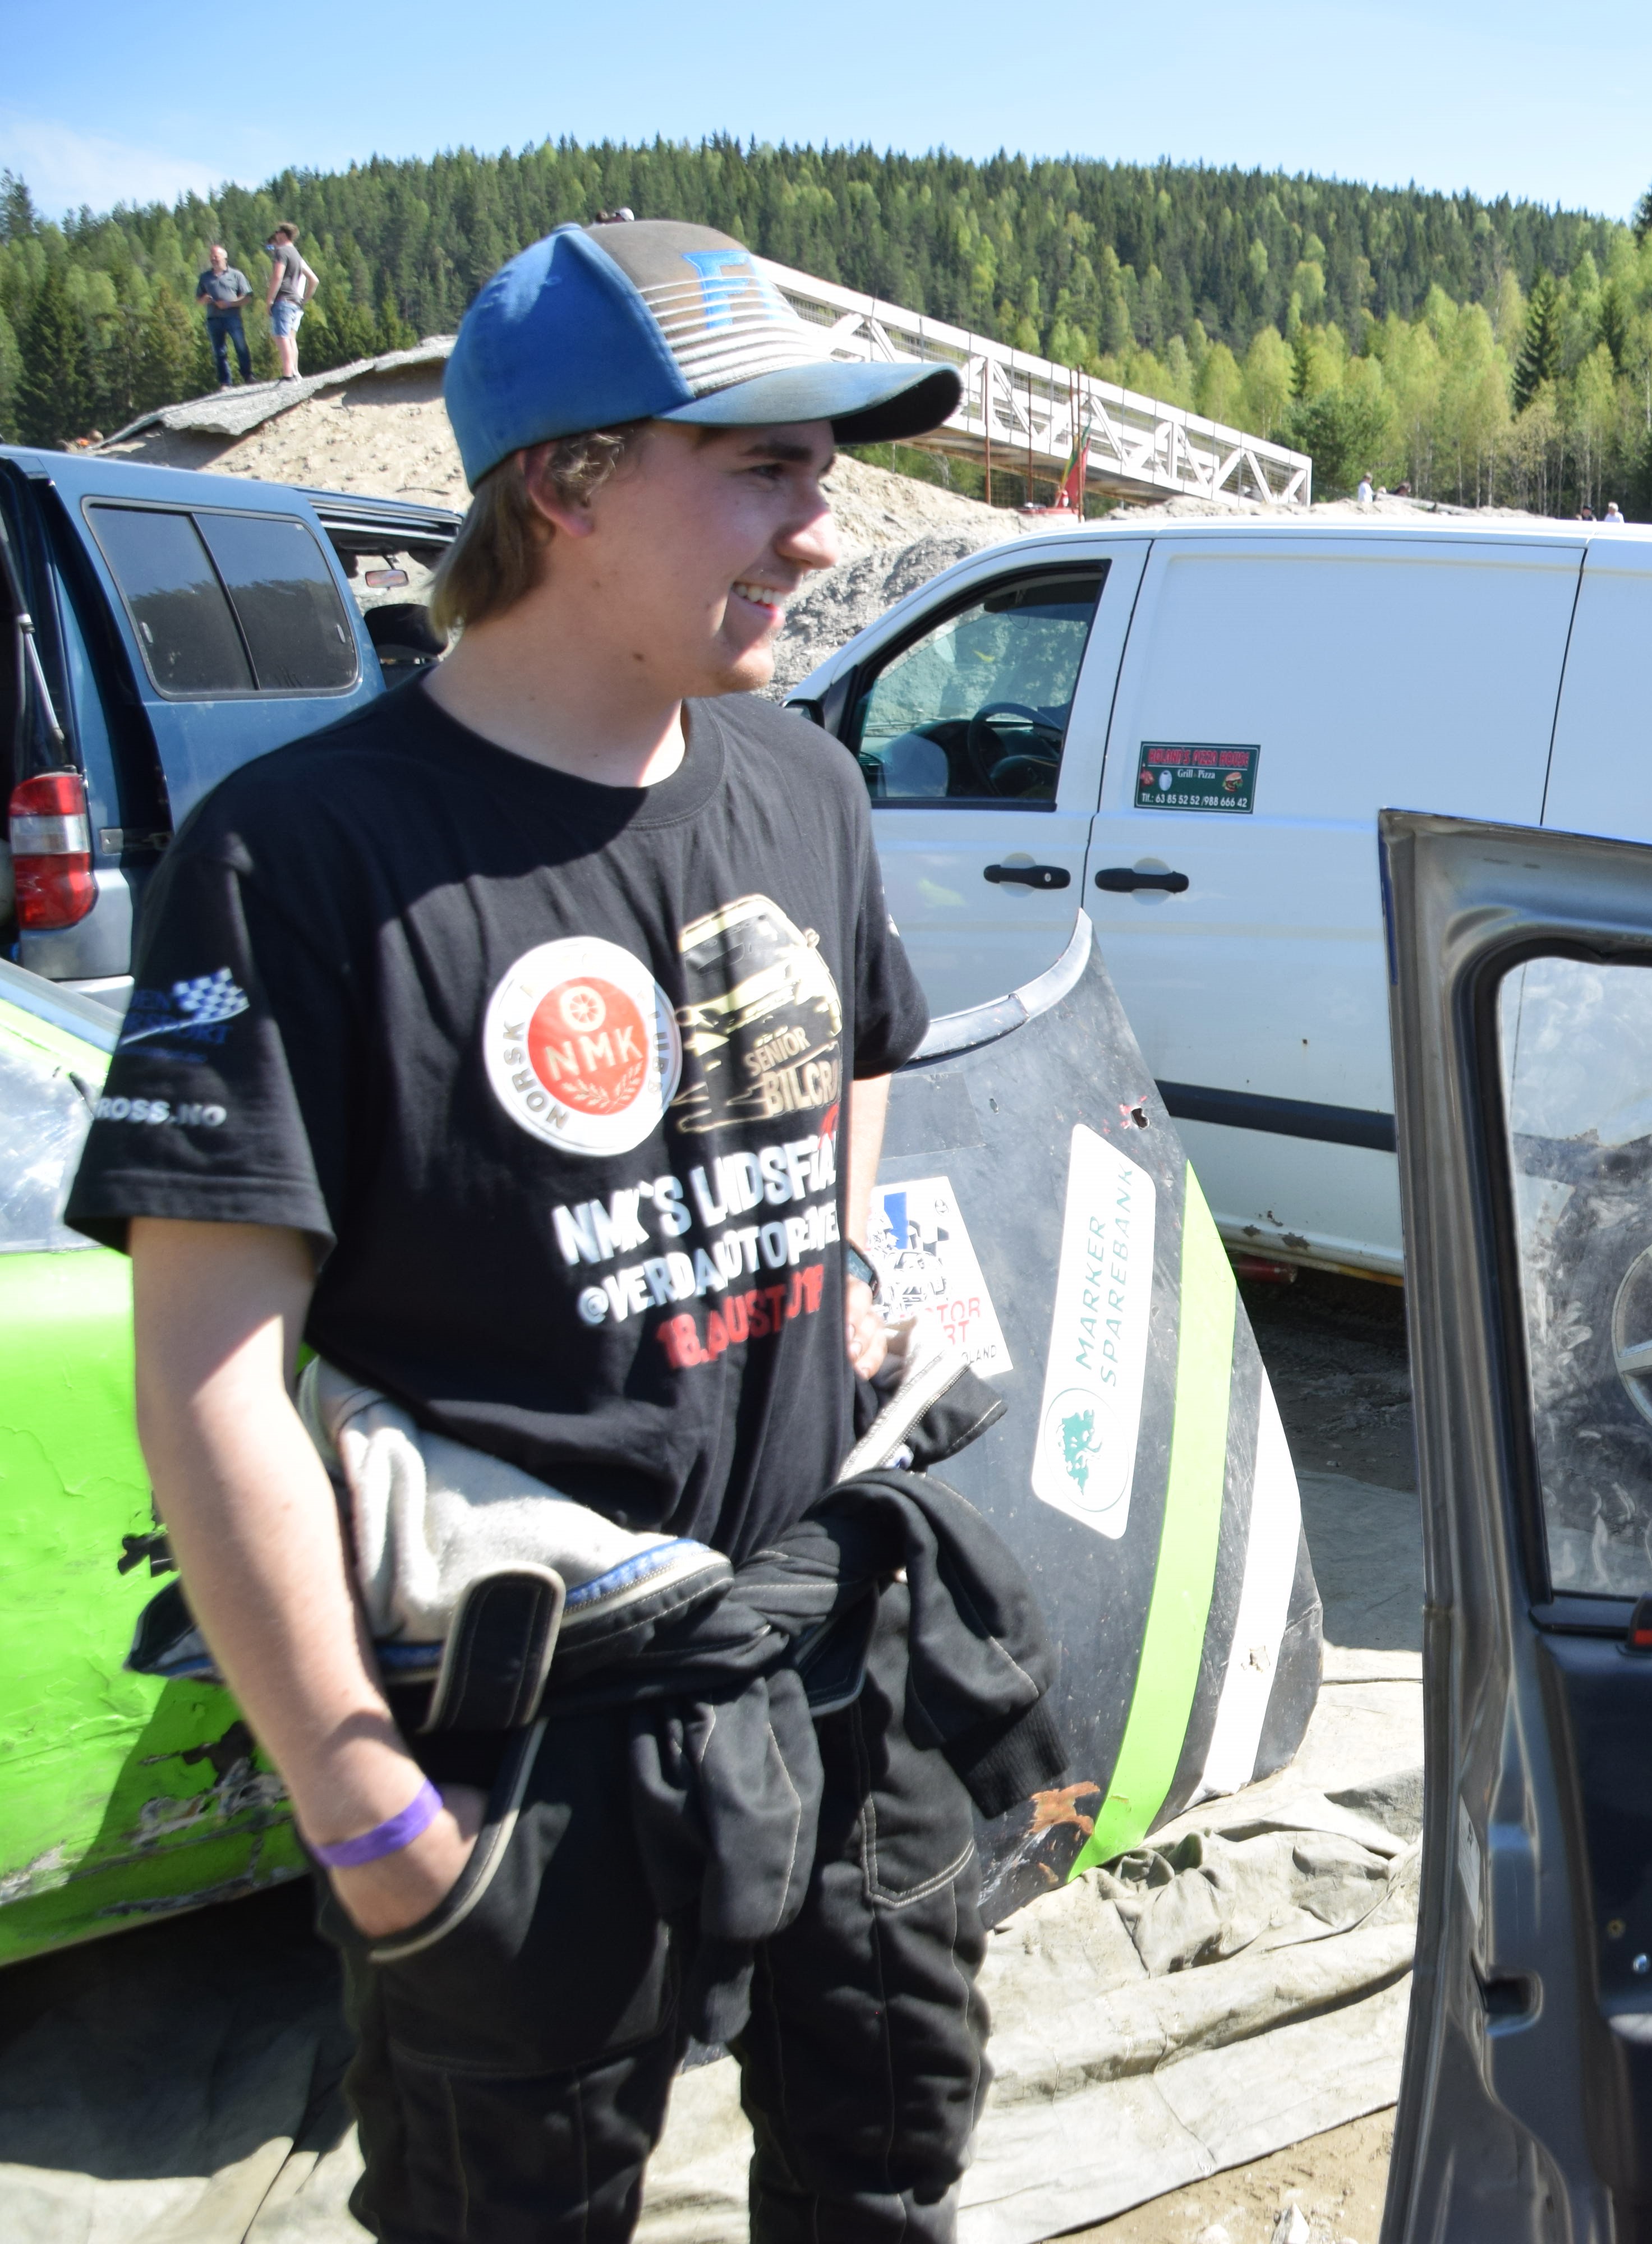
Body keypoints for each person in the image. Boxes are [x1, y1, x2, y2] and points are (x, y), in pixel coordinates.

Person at [65, 218, 1045, 2240]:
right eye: (762, 469)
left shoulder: (799, 778)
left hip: (830, 1648)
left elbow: (852, 1042)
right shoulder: (299, 856)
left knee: (889, 2156)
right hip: (533, 1732)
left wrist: (835, 1269)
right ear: (565, 486)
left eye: (823, 468)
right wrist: (365, 1810)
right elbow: (211, 1383)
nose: (821, 527)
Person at [263, 222, 319, 381]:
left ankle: (288, 375)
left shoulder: (281, 252)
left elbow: (278, 276)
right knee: (290, 337)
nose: (276, 235)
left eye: (277, 232)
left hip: (283, 300)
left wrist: (270, 300)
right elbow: (314, 280)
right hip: (295, 302)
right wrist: (304, 300)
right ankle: (295, 372)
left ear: (283, 234)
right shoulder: (296, 254)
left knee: (282, 337)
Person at [194, 245, 253, 387]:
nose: (213, 259)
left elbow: (248, 297)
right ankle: (225, 382)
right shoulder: (205, 277)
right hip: (213, 319)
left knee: (241, 347)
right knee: (219, 351)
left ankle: (248, 376)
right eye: (212, 256)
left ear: (225, 258)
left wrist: (229, 304)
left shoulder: (236, 275)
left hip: (233, 317)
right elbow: (198, 299)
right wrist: (204, 300)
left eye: (216, 256)